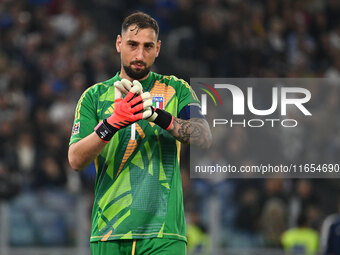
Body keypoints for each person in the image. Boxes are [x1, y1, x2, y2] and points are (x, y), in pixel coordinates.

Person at [68, 11, 212, 255]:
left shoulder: (176, 89)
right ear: (118, 44)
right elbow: (75, 159)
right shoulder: (94, 96)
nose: (139, 54)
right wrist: (113, 122)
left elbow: (204, 138)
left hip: (164, 235)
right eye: (132, 45)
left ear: (158, 49)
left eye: (147, 47)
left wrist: (157, 115)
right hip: (109, 232)